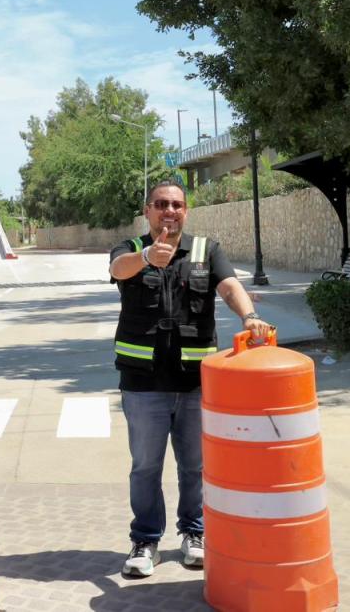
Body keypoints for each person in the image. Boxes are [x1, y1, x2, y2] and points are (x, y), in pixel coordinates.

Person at [109, 181, 272, 578]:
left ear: (186, 211)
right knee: (145, 467)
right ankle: (146, 540)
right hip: (143, 383)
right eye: (161, 204)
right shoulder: (130, 249)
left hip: (196, 383)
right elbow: (118, 270)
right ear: (147, 211)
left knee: (195, 467)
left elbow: (229, 285)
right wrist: (148, 256)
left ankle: (194, 535)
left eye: (177, 205)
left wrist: (249, 316)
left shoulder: (206, 250)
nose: (169, 211)